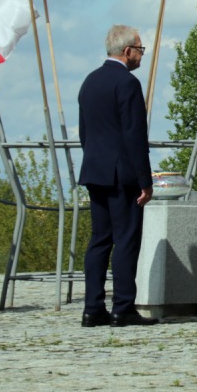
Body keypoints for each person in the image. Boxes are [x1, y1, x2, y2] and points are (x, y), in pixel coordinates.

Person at [77, 24, 157, 327]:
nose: (141, 55)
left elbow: (85, 131)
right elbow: (134, 135)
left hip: (95, 171)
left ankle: (92, 307)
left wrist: (96, 161)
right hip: (122, 174)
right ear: (127, 51)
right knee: (125, 240)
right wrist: (144, 180)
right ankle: (123, 306)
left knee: (100, 240)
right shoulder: (127, 83)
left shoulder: (90, 81)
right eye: (140, 49)